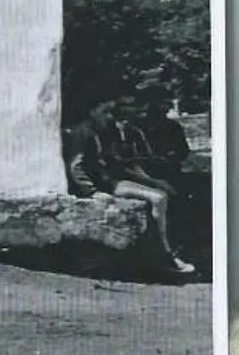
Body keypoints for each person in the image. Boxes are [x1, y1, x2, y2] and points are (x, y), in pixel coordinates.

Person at [66, 99, 194, 276]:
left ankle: (161, 251)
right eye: (105, 112)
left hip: (110, 181)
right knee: (158, 198)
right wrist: (92, 191)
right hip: (103, 185)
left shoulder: (102, 131)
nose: (109, 117)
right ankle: (165, 255)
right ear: (92, 111)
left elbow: (114, 161)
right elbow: (76, 166)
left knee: (162, 196)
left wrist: (150, 180)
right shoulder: (84, 133)